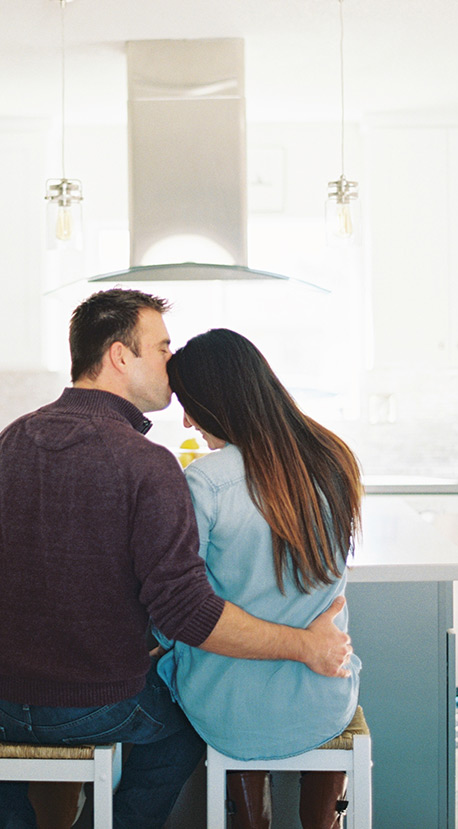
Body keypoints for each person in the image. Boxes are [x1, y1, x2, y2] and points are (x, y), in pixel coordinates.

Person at [0, 289, 354, 829]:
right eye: (162, 348)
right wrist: (306, 645)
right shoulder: (147, 464)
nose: (172, 362)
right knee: (179, 737)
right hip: (92, 707)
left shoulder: (8, 440)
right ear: (121, 356)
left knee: (11, 773)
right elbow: (186, 614)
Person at [159, 328, 364, 829]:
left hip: (229, 710)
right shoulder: (334, 456)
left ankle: (251, 820)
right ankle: (325, 822)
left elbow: (182, 614)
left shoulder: (206, 480)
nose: (186, 422)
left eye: (188, 405)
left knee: (193, 670)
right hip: (325, 697)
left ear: (216, 401)